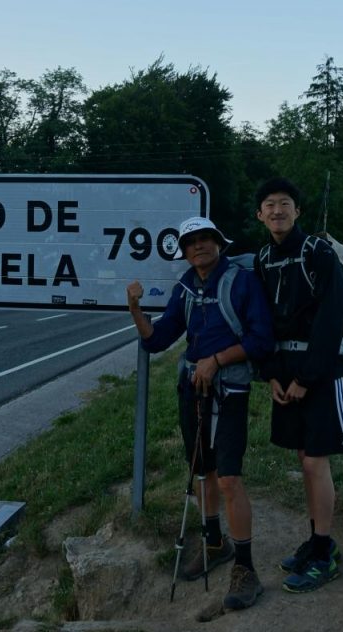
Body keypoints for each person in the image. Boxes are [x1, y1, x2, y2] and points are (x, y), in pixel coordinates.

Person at [126, 216, 273, 611]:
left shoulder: (241, 282)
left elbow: (262, 340)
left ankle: (246, 568)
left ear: (218, 243)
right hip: (192, 388)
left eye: (206, 239)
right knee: (201, 471)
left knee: (228, 479)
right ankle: (214, 543)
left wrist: (217, 360)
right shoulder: (186, 286)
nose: (199, 247)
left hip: (230, 390)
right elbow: (158, 340)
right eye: (191, 243)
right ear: (185, 251)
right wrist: (135, 309)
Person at [253, 177, 343, 593]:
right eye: (269, 205)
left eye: (285, 204)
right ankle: (315, 541)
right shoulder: (262, 259)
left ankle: (325, 550)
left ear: (297, 211)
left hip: (320, 372)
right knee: (303, 460)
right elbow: (262, 322)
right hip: (286, 372)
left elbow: (332, 319)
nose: (277, 211)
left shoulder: (319, 253)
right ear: (259, 215)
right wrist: (274, 374)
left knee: (316, 461)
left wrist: (305, 377)